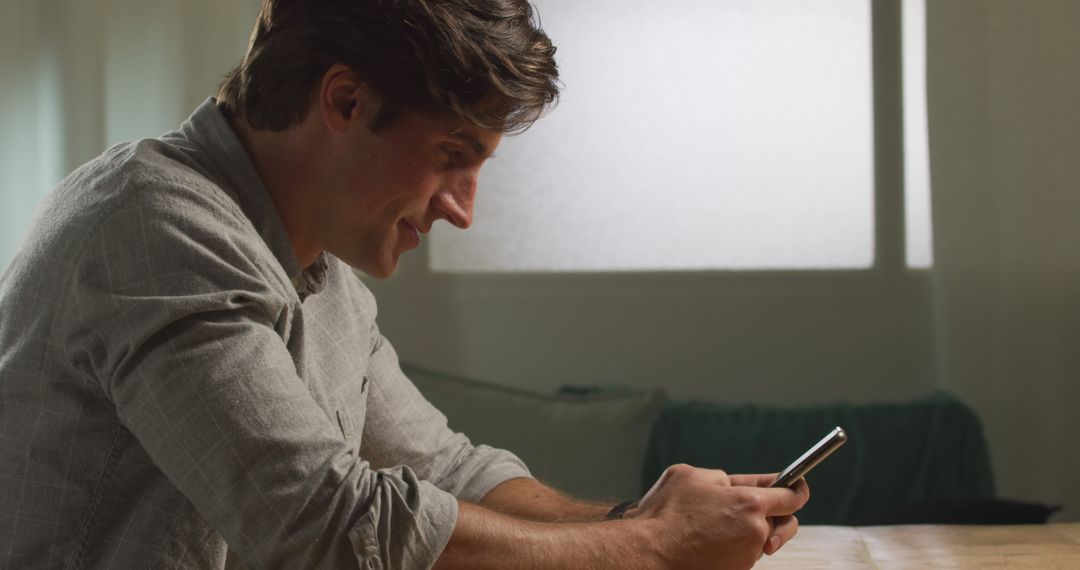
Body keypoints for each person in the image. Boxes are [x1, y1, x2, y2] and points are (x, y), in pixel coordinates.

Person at [0, 0, 809, 568]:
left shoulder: (317, 267)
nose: (462, 210)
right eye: (452, 155)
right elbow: (320, 523)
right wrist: (655, 550)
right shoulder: (151, 224)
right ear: (346, 101)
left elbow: (445, 469)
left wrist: (644, 519)